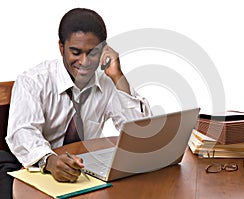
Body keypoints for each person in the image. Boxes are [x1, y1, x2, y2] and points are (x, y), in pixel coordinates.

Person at [3, 7, 151, 197]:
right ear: (61, 47)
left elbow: (139, 134)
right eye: (75, 52)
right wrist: (50, 161)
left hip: (82, 174)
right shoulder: (32, 81)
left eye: (92, 53)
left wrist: (118, 76)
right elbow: (23, 133)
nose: (84, 62)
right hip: (31, 170)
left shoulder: (107, 82)